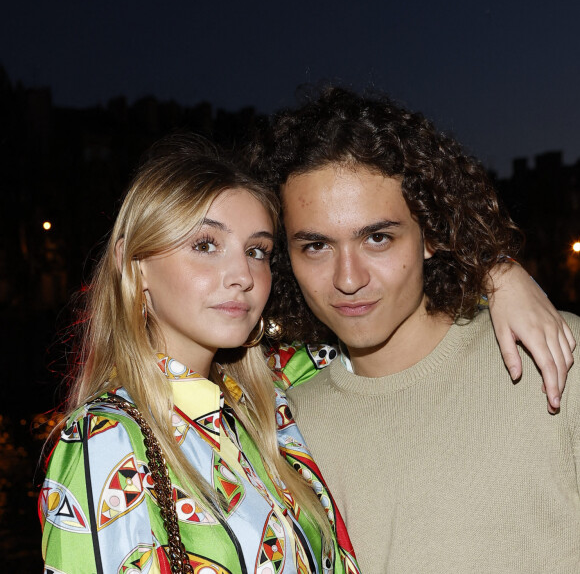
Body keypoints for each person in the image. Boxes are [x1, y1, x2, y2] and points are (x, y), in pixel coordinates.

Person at [254, 87, 580, 573]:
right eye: (317, 246)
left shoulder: (554, 356)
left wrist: (499, 268)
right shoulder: (285, 430)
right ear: (286, 259)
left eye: (378, 237)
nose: (348, 278)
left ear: (432, 233)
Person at [38, 134, 357, 574]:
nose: (243, 275)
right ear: (135, 265)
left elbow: (381, 343)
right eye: (206, 245)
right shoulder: (106, 440)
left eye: (257, 251)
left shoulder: (269, 403)